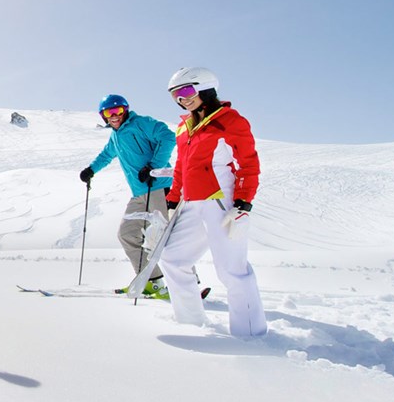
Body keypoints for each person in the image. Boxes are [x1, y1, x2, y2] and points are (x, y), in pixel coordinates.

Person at [158, 67, 267, 337]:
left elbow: (248, 162)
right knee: (172, 259)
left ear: (206, 88)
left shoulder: (230, 120)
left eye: (186, 91)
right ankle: (190, 323)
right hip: (192, 203)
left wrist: (243, 202)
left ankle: (250, 334)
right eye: (175, 95)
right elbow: (182, 165)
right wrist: (173, 199)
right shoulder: (184, 126)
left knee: (232, 270)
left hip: (221, 202)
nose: (182, 99)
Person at [79, 94, 177, 298]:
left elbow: (168, 136)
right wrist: (91, 170)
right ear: (103, 116)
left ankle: (189, 284)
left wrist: (154, 166)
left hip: (159, 187)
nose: (114, 116)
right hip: (139, 194)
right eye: (109, 112)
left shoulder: (141, 123)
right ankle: (153, 282)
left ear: (126, 110)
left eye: (118, 111)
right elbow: (106, 155)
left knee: (165, 239)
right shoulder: (115, 136)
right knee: (127, 234)